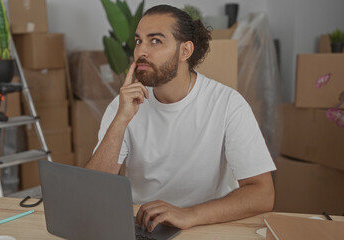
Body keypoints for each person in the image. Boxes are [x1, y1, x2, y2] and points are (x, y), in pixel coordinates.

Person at [86, 4, 276, 232]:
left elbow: (262, 193)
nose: (141, 52)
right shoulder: (122, 106)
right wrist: (121, 120)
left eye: (155, 40)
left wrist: (189, 215)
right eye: (138, 41)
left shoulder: (227, 104)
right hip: (145, 228)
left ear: (185, 51)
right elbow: (92, 189)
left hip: (208, 224)